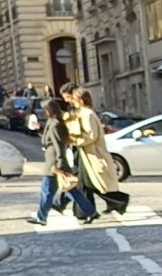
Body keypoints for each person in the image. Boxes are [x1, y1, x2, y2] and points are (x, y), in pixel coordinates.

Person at [27, 98, 98, 226]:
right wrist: (40, 129)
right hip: (54, 161)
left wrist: (59, 163)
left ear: (49, 110)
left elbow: (58, 145)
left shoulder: (55, 124)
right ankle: (91, 211)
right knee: (71, 190)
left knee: (48, 191)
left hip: (54, 163)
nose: (43, 112)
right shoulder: (52, 122)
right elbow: (50, 139)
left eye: (44, 110)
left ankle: (41, 217)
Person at [62, 85, 130, 215]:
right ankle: (113, 203)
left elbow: (91, 135)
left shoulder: (88, 114)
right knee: (87, 183)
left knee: (89, 183)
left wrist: (75, 141)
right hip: (86, 153)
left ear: (81, 100)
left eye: (74, 99)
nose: (72, 101)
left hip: (92, 153)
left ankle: (117, 201)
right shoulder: (82, 113)